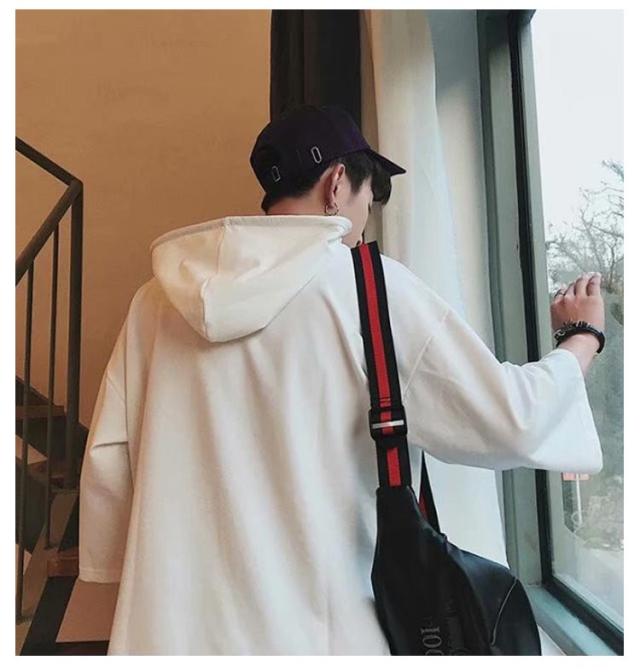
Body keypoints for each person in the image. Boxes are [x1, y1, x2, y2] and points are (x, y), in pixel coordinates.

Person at [78, 103, 605, 655]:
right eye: (368, 197)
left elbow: (111, 459)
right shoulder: (368, 288)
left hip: (169, 631)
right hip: (320, 637)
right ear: (336, 184)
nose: (366, 216)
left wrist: (129, 572)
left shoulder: (155, 303)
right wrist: (581, 337)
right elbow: (511, 419)